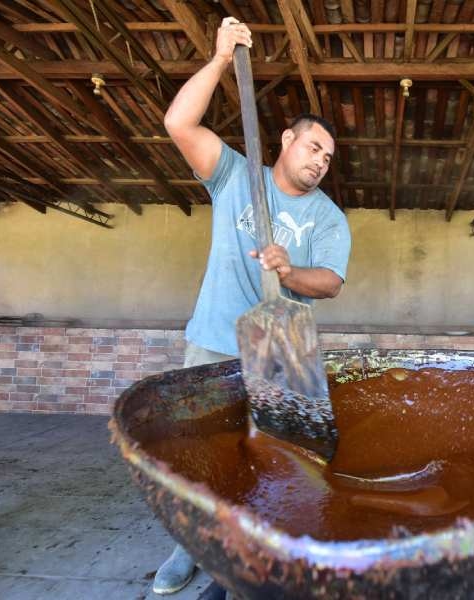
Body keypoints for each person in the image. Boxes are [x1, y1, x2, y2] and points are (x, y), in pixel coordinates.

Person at [152, 16, 351, 595]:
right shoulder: (236, 176)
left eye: (329, 158)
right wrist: (218, 59)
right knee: (199, 451)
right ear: (287, 140)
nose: (321, 161)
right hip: (214, 336)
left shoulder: (327, 218)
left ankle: (251, 554)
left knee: (274, 456)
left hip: (280, 349)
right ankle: (189, 547)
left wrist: (290, 270)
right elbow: (178, 122)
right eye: (314, 146)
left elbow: (332, 283)